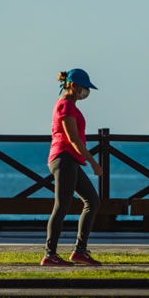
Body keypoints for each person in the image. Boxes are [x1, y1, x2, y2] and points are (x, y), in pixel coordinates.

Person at [41, 68, 103, 266]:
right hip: (64, 158)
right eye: (84, 87)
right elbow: (73, 139)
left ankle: (80, 251)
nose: (86, 92)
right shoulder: (65, 105)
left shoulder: (71, 106)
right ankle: (50, 254)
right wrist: (93, 162)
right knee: (61, 206)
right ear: (73, 85)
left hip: (71, 160)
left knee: (92, 200)